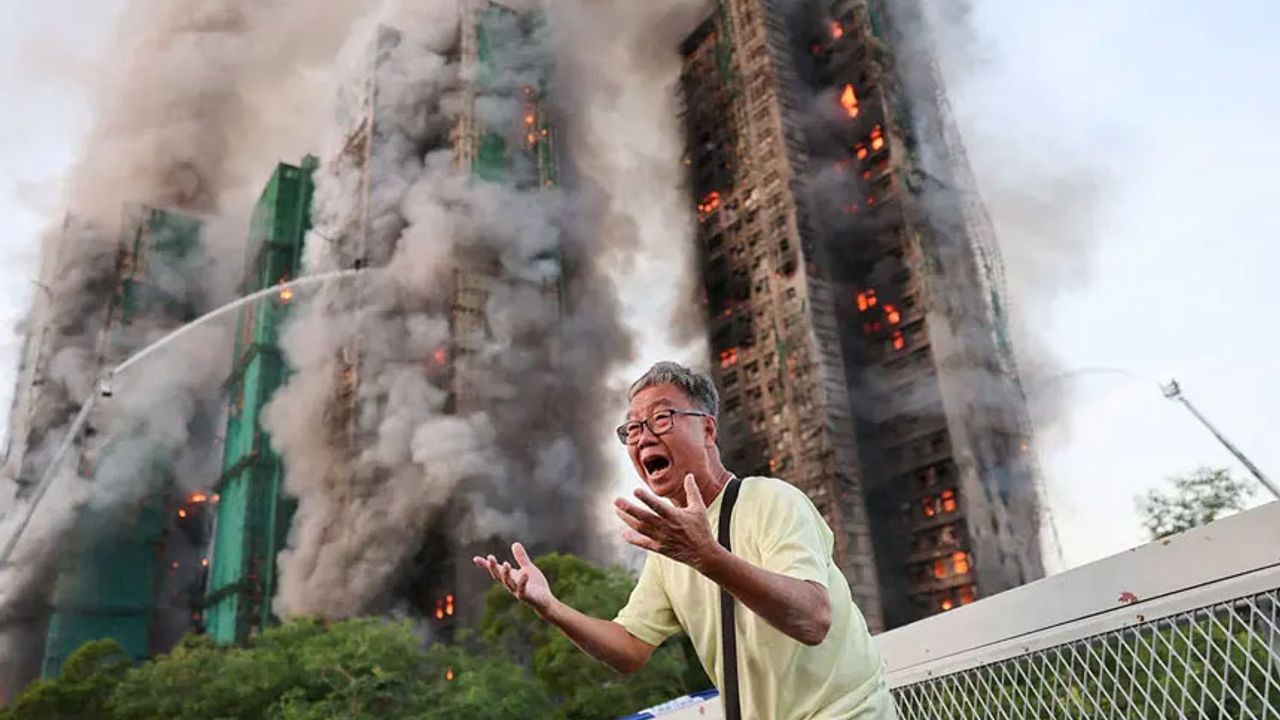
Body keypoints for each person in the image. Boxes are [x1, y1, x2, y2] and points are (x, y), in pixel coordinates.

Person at [474, 361, 898, 719]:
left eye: (661, 418)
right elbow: (630, 648)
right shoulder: (670, 549)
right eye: (632, 428)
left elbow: (812, 619)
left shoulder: (771, 500)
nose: (643, 436)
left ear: (708, 430)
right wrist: (550, 607)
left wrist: (707, 556)